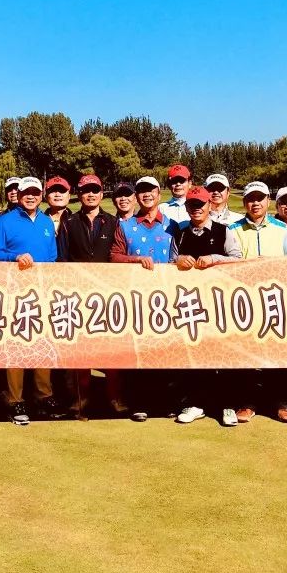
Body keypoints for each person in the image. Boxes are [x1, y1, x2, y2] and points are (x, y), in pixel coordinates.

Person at [0, 176, 62, 424]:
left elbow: (52, 258)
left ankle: (44, 396)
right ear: (18, 196)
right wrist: (15, 256)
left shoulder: (46, 222)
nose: (31, 196)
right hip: (14, 292)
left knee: (42, 343)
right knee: (16, 346)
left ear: (41, 195)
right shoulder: (5, 221)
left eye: (35, 192)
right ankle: (15, 399)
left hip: (41, 292)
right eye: (26, 193)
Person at [226, 181, 287, 424]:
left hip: (275, 301)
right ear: (245, 202)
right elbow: (227, 264)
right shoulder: (232, 229)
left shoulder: (281, 229)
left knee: (277, 354)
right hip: (243, 302)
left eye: (260, 198)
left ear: (268, 200)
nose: (255, 203)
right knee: (245, 355)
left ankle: (280, 403)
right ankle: (247, 403)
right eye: (250, 199)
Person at [169, 186, 242, 426]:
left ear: (209, 205)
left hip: (221, 304)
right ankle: (196, 404)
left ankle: (227, 405)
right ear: (187, 207)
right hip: (191, 305)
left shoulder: (223, 231)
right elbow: (169, 264)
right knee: (195, 355)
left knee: (224, 355)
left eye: (201, 204)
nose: (197, 208)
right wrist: (177, 261)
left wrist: (214, 259)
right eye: (192, 205)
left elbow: (238, 260)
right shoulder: (180, 234)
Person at [111, 175, 178, 422]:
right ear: (136, 196)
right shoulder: (125, 226)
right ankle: (139, 403)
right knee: (137, 352)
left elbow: (178, 257)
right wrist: (136, 259)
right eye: (141, 191)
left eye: (151, 190)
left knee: (165, 351)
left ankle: (165, 402)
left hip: (166, 298)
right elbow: (114, 256)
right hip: (135, 298)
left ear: (159, 194)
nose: (146, 194)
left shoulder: (173, 225)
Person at [61, 174, 125, 417]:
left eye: (95, 190)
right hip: (77, 295)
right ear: (79, 194)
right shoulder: (69, 222)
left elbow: (118, 254)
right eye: (86, 190)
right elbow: (62, 259)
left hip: (108, 295)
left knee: (111, 350)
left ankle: (115, 398)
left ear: (101, 193)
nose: (90, 194)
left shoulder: (113, 222)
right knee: (81, 352)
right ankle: (81, 400)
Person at [44, 175, 72, 262]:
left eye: (62, 191)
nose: (58, 194)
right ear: (46, 196)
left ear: (69, 196)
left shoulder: (78, 221)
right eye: (53, 191)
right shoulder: (37, 221)